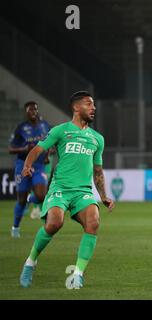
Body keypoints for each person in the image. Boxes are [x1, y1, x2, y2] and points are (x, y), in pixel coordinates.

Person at [19, 91, 115, 289]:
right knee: (54, 223)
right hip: (60, 187)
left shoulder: (98, 139)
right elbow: (37, 149)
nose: (93, 108)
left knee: (94, 221)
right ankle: (30, 262)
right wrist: (27, 165)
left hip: (83, 191)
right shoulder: (60, 131)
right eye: (89, 104)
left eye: (94, 105)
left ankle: (78, 273)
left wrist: (103, 196)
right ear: (76, 107)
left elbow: (98, 171)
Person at [8, 101, 50, 238]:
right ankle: (15, 227)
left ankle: (29, 200)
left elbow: (51, 141)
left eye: (35, 110)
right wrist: (24, 149)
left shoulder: (45, 126)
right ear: (26, 112)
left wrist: (47, 155)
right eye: (30, 110)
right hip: (23, 165)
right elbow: (11, 149)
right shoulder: (21, 128)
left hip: (38, 166)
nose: (33, 112)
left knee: (41, 195)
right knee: (20, 200)